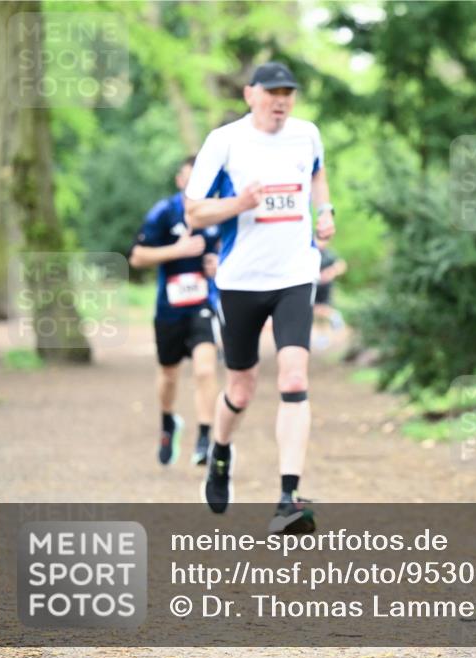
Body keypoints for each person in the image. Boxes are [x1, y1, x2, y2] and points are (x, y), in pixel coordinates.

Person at [183, 61, 335, 535]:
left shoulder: (307, 134)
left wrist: (325, 210)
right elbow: (194, 213)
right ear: (251, 94)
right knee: (242, 387)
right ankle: (221, 452)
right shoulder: (224, 142)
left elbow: (317, 176)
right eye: (272, 92)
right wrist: (238, 205)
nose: (281, 100)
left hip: (294, 274)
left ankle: (289, 497)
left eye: (288, 92)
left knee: (294, 376)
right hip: (240, 281)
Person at [129, 156, 221, 467]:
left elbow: (231, 253)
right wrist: (177, 251)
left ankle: (206, 437)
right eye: (190, 178)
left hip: (203, 305)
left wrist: (218, 265)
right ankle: (168, 422)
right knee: (169, 374)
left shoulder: (217, 215)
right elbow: (137, 256)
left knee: (205, 370)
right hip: (169, 309)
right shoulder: (164, 212)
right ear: (180, 181)